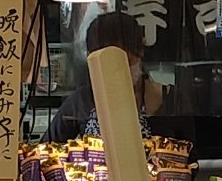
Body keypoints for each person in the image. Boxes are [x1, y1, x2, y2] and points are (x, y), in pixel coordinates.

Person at [51, 11, 161, 142]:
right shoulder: (80, 101)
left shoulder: (169, 101)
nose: (116, 71)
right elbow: (46, 148)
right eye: (107, 64)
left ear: (140, 51)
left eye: (124, 61)